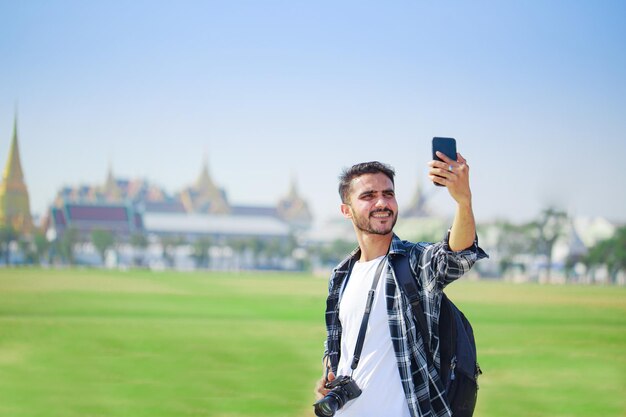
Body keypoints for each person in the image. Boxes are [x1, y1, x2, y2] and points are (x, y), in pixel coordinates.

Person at [315, 151, 487, 417]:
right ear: (346, 210)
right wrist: (330, 375)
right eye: (368, 196)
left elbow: (457, 257)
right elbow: (337, 343)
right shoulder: (341, 275)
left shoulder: (413, 262)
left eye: (388, 194)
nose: (382, 202)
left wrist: (463, 201)